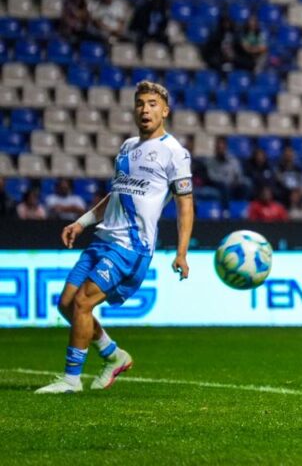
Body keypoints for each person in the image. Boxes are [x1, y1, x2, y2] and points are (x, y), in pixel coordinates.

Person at [35, 81, 193, 394]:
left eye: (151, 104)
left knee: (82, 303)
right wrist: (82, 222)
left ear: (165, 111)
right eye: (139, 104)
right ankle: (113, 355)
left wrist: (181, 252)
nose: (145, 109)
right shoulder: (127, 147)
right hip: (103, 240)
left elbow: (185, 205)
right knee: (66, 305)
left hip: (131, 247)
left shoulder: (175, 153)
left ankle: (70, 380)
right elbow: (116, 195)